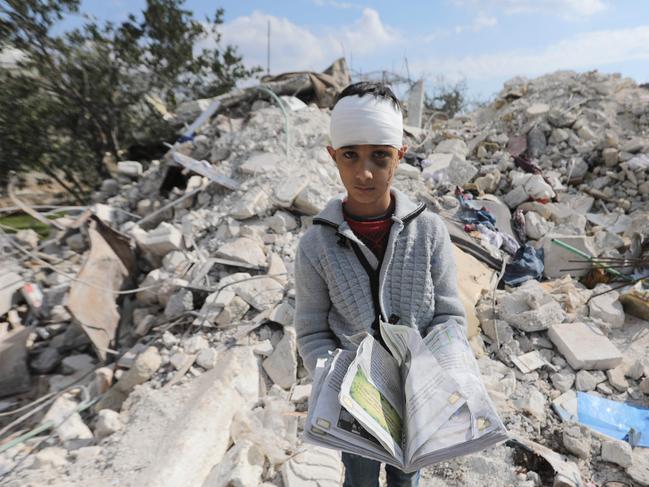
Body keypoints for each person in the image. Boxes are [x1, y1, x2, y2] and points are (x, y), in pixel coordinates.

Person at [294, 81, 467, 487]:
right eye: (351, 156)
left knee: (407, 478)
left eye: (380, 156)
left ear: (401, 156)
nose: (365, 172)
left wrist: (440, 371)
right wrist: (340, 381)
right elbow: (313, 330)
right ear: (332, 157)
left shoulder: (429, 232)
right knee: (359, 478)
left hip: (415, 397)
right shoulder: (316, 245)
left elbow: (448, 316)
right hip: (355, 405)